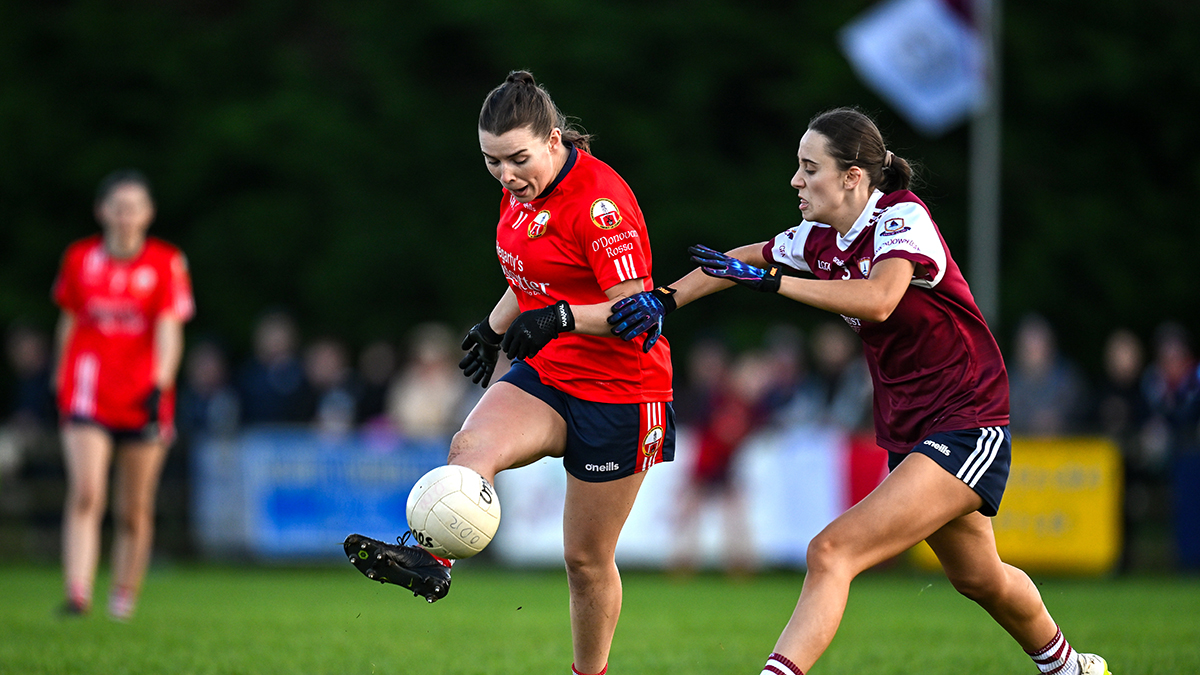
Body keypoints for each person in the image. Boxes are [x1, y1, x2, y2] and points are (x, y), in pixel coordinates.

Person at [608, 107, 1109, 675]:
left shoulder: (902, 216)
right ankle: (1072, 669)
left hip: (967, 420)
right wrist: (665, 300)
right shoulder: (819, 239)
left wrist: (775, 282)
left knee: (831, 550)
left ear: (852, 177)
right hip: (911, 427)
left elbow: (879, 299)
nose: (795, 181)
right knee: (979, 576)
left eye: (808, 168)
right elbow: (740, 260)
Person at [343, 70, 675, 675]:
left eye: (517, 158)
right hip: (552, 372)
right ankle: (432, 560)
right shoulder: (519, 188)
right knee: (470, 445)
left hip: (623, 393)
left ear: (554, 140)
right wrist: (494, 326)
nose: (505, 175)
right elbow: (529, 274)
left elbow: (636, 314)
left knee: (585, 559)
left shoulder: (600, 205)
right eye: (492, 162)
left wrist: (562, 318)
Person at [52, 169, 194, 619]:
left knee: (133, 509)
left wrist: (161, 383)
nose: (125, 216)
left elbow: (170, 330)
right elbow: (70, 319)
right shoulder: (79, 259)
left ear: (148, 214)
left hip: (142, 395)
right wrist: (60, 374)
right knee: (87, 492)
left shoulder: (166, 262)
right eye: (118, 206)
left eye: (134, 207)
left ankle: (122, 597)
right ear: (102, 211)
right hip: (88, 392)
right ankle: (78, 593)